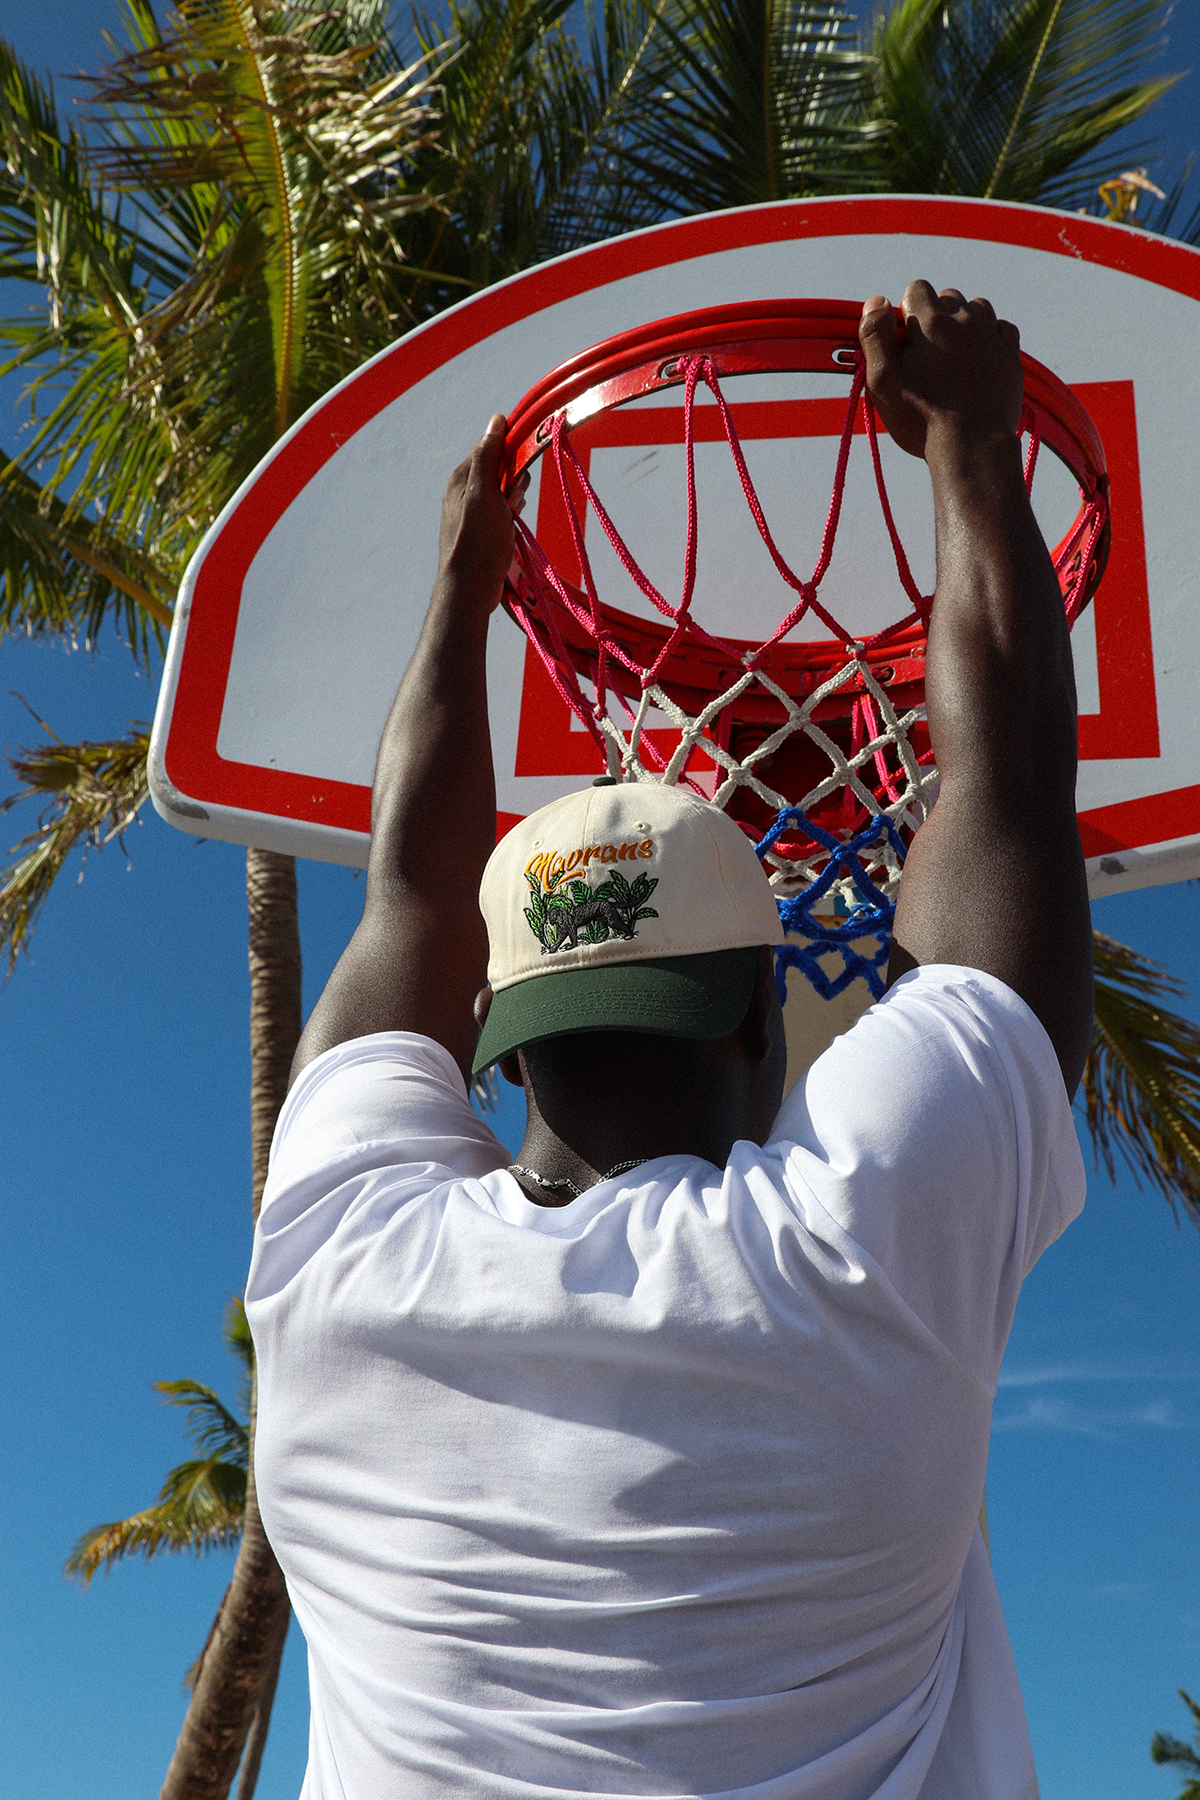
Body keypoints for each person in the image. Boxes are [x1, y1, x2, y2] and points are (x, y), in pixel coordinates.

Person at [245, 282, 1093, 1798]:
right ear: (766, 1015)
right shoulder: (852, 1266)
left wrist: (462, 586)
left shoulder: (335, 1277)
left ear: (496, 1042)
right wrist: (972, 447)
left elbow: (407, 896)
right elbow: (1008, 793)